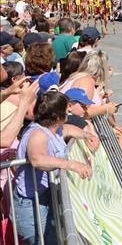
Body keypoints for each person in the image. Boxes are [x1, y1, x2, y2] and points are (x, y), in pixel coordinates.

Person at [12, 90, 92, 244]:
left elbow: (67, 130)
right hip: (32, 203)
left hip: (45, 197)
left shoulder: (53, 128)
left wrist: (86, 136)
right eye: (66, 110)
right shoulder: (37, 134)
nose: (68, 112)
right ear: (57, 117)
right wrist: (71, 165)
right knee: (43, 241)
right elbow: (37, 159)